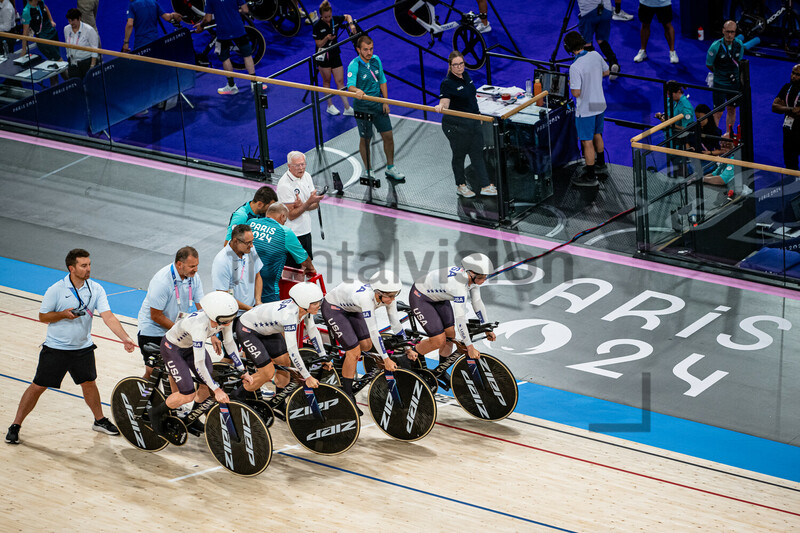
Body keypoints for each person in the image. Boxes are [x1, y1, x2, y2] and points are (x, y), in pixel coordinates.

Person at [6, 249, 136, 445]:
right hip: (56, 349)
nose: (88, 269)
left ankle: (99, 420)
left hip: (83, 348)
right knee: (38, 386)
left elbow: (108, 316)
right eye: (84, 266)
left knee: (89, 383)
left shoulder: (96, 289)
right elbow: (43, 317)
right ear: (71, 268)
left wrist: (125, 337)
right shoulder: (56, 290)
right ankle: (15, 425)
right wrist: (63, 314)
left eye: (89, 264)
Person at [147, 291, 252, 438]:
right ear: (212, 316)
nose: (228, 323)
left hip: (189, 347)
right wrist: (216, 390)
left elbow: (229, 342)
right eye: (224, 321)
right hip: (173, 349)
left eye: (230, 319)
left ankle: (192, 416)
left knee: (205, 382)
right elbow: (199, 364)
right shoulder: (199, 326)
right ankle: (156, 413)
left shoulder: (223, 317)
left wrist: (242, 369)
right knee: (188, 394)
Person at [321, 271, 406, 413]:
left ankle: (342, 367)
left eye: (394, 295)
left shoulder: (387, 296)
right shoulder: (366, 299)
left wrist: (407, 346)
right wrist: (386, 359)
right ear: (377, 293)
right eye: (389, 296)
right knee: (354, 352)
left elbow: (395, 323)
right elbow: (374, 332)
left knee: (366, 345)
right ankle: (347, 393)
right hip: (334, 308)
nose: (392, 299)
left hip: (352, 307)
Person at [233, 282, 325, 408]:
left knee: (284, 362)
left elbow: (313, 332)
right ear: (303, 304)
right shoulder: (289, 316)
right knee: (267, 372)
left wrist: (323, 356)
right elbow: (293, 350)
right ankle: (236, 397)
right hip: (248, 329)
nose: (318, 306)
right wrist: (307, 376)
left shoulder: (304, 309)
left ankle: (279, 402)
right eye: (315, 303)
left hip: (267, 329)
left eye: (319, 302)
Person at [401, 253, 496, 370]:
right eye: (481, 277)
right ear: (470, 273)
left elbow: (477, 302)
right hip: (421, 297)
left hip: (439, 296)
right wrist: (469, 346)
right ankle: (406, 358)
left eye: (485, 277)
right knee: (438, 341)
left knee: (450, 335)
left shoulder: (471, 279)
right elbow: (460, 318)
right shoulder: (459, 286)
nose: (483, 280)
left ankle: (441, 368)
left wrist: (486, 327)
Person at [435, 50, 497, 198]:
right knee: (459, 155)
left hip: (473, 122)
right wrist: (441, 107)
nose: (459, 67)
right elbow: (444, 103)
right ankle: (461, 185)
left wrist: (478, 114)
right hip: (456, 126)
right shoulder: (447, 83)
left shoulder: (467, 76)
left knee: (477, 154)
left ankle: (485, 185)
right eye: (455, 65)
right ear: (450, 66)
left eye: (461, 64)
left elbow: (471, 99)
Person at [137, 247, 204, 380]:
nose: (196, 269)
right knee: (154, 373)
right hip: (153, 331)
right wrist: (181, 330)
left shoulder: (193, 277)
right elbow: (155, 315)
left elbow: (201, 306)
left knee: (177, 372)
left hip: (174, 328)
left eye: (197, 265)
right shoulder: (162, 281)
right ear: (180, 264)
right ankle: (141, 397)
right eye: (192, 266)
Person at [347, 35, 406, 183]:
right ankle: (368, 170)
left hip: (378, 105)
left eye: (371, 49)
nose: (369, 52)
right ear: (358, 49)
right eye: (366, 50)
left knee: (388, 136)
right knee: (366, 139)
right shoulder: (354, 65)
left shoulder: (376, 60)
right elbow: (350, 85)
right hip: (363, 107)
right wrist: (357, 91)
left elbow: (382, 80)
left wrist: (385, 102)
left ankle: (390, 167)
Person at [566, 31, 610, 187]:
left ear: (569, 48)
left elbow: (576, 93)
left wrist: (571, 83)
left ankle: (590, 176)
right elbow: (607, 71)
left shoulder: (575, 67)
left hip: (585, 109)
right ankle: (600, 165)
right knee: (597, 134)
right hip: (599, 103)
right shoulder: (596, 55)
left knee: (587, 142)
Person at [250, 202, 316, 303]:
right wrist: (311, 268)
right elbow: (303, 258)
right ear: (282, 216)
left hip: (244, 283)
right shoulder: (285, 232)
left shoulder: (250, 222)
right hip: (267, 288)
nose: (285, 222)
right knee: (272, 316)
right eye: (285, 220)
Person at [195, 0, 256, 95]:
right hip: (238, 29)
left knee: (225, 58)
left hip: (223, 32)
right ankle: (255, 84)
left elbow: (208, 19)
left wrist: (201, 26)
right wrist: (235, 11)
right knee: (247, 55)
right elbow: (245, 10)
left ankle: (231, 86)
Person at [277, 151, 325, 265]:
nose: (301, 168)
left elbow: (315, 204)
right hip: (292, 234)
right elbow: (292, 215)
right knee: (294, 269)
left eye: (303, 164)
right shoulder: (284, 185)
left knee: (307, 265)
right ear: (289, 166)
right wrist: (307, 203)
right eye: (297, 165)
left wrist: (303, 205)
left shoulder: (307, 176)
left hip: (306, 230)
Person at [312, 0, 356, 116]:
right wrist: (327, 38)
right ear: (321, 15)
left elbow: (347, 16)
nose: (328, 19)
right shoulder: (316, 26)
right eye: (325, 17)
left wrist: (351, 24)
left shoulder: (335, 20)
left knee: (340, 81)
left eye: (329, 16)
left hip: (335, 53)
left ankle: (347, 108)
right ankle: (329, 106)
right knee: (327, 81)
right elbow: (319, 44)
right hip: (323, 56)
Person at [212, 224, 263, 315]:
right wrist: (250, 309)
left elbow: (258, 276)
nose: (251, 246)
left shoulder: (251, 250)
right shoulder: (222, 261)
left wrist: (258, 301)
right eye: (248, 243)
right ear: (236, 241)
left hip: (250, 310)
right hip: (232, 314)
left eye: (252, 242)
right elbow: (224, 296)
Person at [706, 20, 743, 134]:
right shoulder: (715, 46)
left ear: (735, 32)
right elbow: (709, 64)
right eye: (727, 32)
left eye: (732, 32)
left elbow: (739, 63)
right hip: (720, 83)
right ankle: (714, 137)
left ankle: (728, 134)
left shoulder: (739, 45)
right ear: (723, 31)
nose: (730, 35)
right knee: (718, 112)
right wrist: (720, 74)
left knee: (732, 109)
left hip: (734, 83)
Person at [576, 0, 620, 80]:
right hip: (606, 9)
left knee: (587, 43)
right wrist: (618, 7)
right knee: (601, 40)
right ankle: (613, 62)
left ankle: (592, 70)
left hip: (588, 11)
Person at [772, 64, 800, 170]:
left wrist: (783, 107)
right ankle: (792, 185)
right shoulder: (787, 87)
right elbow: (774, 107)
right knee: (789, 163)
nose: (793, 76)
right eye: (793, 73)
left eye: (798, 75)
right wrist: (791, 109)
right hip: (788, 132)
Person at [634, 0, 678, 64]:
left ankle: (672, 52)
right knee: (644, 25)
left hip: (663, 3)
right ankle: (643, 51)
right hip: (645, 2)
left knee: (667, 25)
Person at [655, 81, 694, 150]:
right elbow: (670, 117)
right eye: (667, 94)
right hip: (669, 138)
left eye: (670, 94)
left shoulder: (685, 108)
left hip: (679, 144)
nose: (668, 97)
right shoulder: (672, 101)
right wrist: (662, 117)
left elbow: (686, 129)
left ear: (678, 91)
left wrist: (669, 124)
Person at [63, 8, 99, 79]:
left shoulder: (89, 30)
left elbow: (95, 50)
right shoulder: (66, 29)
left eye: (73, 20)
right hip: (73, 64)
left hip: (86, 64)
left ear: (79, 18)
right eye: (69, 21)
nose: (71, 23)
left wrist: (92, 67)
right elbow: (67, 46)